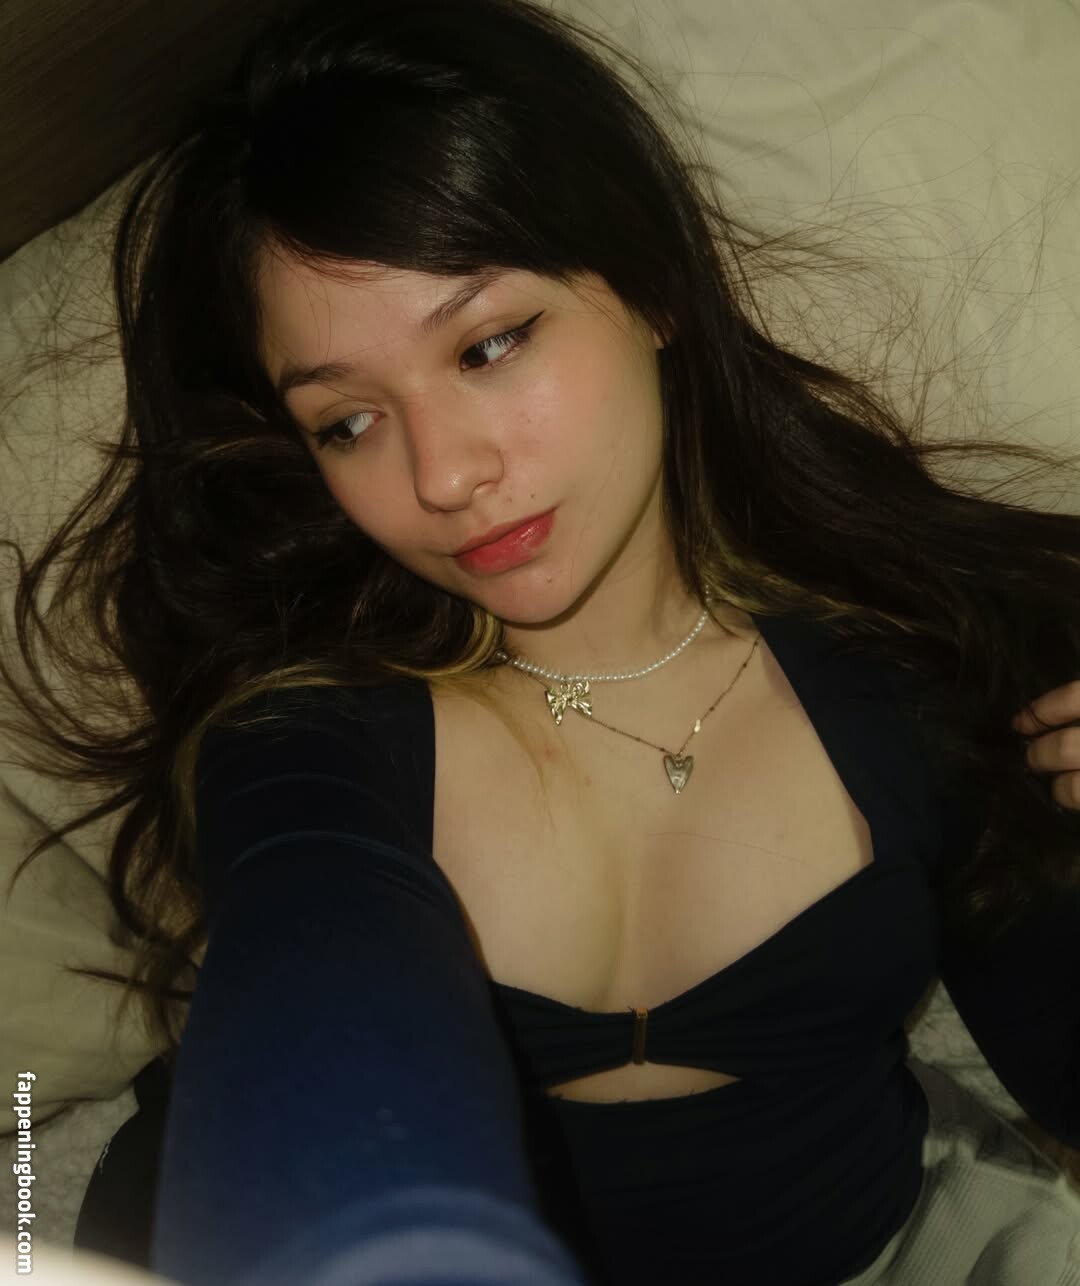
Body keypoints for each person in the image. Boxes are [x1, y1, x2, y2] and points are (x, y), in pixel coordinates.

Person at [3, 0, 1080, 1282]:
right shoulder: (304, 734)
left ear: (651, 284)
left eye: (490, 343)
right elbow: (313, 968)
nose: (444, 475)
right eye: (347, 421)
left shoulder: (925, 650)